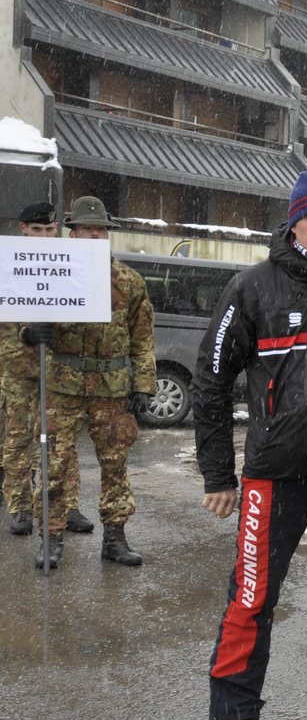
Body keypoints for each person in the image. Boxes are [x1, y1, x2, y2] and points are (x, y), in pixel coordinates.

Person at [196, 171, 307, 720]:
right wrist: (217, 473)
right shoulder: (253, 286)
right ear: (292, 223)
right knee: (254, 597)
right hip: (274, 470)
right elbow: (212, 381)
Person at [26, 196, 154, 570]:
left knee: (115, 464)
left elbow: (143, 338)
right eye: (86, 228)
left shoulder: (130, 282)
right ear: (74, 232)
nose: (94, 234)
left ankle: (114, 538)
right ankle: (51, 537)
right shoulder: (51, 274)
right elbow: (22, 317)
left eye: (100, 229)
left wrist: (144, 385)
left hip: (110, 387)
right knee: (53, 463)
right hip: (62, 384)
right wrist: (30, 332)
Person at [3, 202, 92, 540]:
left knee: (62, 445)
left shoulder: (68, 264)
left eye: (49, 229)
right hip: (17, 369)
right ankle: (21, 507)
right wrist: (25, 334)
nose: (43, 236)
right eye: (36, 230)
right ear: (23, 228)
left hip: (61, 369)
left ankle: (65, 506)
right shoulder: (8, 262)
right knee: (18, 443)